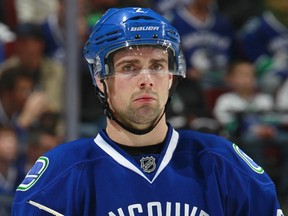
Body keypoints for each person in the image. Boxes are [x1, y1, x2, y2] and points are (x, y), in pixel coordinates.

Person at [12, 7, 284, 215]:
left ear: (170, 77)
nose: (146, 79)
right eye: (129, 67)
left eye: (157, 66)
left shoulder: (225, 165)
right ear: (99, 79)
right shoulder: (60, 178)